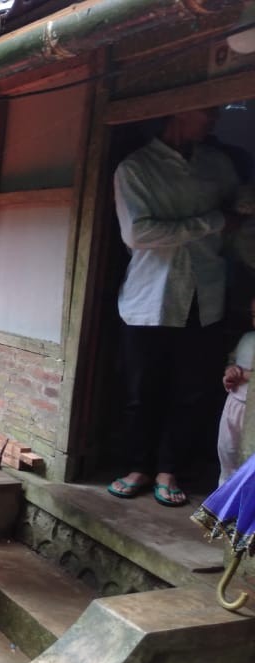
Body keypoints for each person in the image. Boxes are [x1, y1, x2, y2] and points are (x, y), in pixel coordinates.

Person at [108, 107, 240, 507]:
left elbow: (241, 206)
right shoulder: (136, 168)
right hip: (151, 297)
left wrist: (238, 211)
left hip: (207, 294)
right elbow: (139, 232)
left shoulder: (218, 165)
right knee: (142, 391)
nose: (214, 118)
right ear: (180, 111)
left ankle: (169, 470)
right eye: (207, 111)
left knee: (191, 390)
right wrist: (213, 222)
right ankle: (137, 467)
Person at [218, 298, 255, 485]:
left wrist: (246, 375)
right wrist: (230, 372)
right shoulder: (247, 338)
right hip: (235, 405)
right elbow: (233, 361)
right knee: (227, 452)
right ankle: (224, 501)